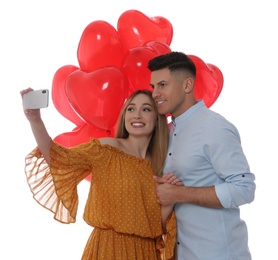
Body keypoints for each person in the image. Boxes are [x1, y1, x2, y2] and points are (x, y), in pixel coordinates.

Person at [20, 88, 182, 260]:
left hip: (146, 253)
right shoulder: (105, 149)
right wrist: (35, 120)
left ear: (157, 120)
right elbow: (59, 159)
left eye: (146, 109)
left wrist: (169, 201)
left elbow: (157, 226)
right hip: (108, 249)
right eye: (131, 108)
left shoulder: (162, 166)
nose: (137, 115)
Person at [147, 52, 256, 260]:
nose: (155, 94)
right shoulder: (167, 133)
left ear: (187, 86)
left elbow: (244, 189)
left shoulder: (214, 127)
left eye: (162, 85)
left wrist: (178, 194)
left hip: (220, 254)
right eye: (153, 87)